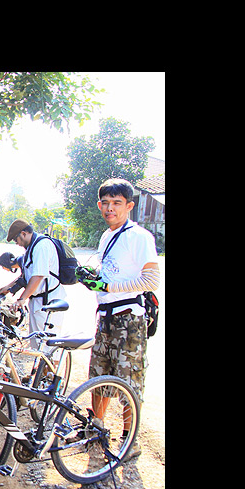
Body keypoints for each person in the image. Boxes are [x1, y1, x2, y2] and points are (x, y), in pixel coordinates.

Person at [77, 178, 160, 458]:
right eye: (105, 203)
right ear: (99, 205)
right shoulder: (106, 236)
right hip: (105, 317)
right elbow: (110, 274)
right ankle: (96, 429)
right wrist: (94, 279)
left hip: (129, 320)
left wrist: (109, 286)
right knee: (99, 376)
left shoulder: (139, 237)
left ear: (129, 206)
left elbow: (152, 280)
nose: (110, 208)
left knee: (129, 380)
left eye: (117, 203)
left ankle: (130, 439)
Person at [4, 219, 68, 351]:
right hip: (36, 301)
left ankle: (54, 365)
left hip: (48, 301)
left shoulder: (41, 246)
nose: (17, 243)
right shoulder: (31, 247)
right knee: (36, 345)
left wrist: (22, 299)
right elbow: (27, 276)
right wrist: (8, 288)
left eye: (16, 240)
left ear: (23, 233)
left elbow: (38, 276)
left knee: (47, 347)